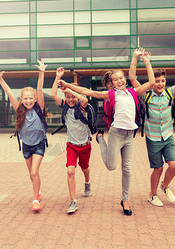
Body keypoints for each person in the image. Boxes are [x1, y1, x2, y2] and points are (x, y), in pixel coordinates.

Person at [58, 50, 155, 216]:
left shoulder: (133, 92)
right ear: (111, 83)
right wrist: (68, 86)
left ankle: (125, 199)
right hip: (116, 134)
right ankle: (101, 140)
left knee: (127, 169)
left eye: (121, 78)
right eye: (115, 80)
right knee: (111, 166)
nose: (118, 81)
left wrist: (143, 60)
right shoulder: (111, 94)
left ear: (125, 80)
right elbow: (87, 91)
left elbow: (151, 82)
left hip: (129, 135)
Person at [128, 40, 175, 207]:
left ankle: (165, 186)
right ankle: (152, 194)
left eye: (162, 80)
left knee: (174, 165)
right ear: (152, 81)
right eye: (157, 81)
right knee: (158, 168)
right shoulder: (146, 95)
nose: (160, 83)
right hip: (153, 138)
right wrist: (136, 58)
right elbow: (132, 78)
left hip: (168, 136)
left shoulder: (170, 93)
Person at [0, 61, 48, 212]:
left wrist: (41, 72)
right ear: (22, 99)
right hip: (26, 145)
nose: (28, 101)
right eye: (25, 98)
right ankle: (38, 191)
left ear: (35, 99)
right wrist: (0, 79)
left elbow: (40, 88)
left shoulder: (39, 108)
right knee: (32, 174)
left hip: (39, 144)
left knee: (34, 172)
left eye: (31, 98)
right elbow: (9, 93)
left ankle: (35, 199)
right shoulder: (19, 109)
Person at [51, 67, 93, 214]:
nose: (70, 99)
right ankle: (73, 201)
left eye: (72, 97)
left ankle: (87, 183)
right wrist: (58, 78)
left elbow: (84, 99)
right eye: (67, 97)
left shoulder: (82, 107)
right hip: (72, 146)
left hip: (85, 146)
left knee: (85, 168)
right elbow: (53, 94)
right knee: (70, 171)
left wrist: (70, 89)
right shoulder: (64, 106)